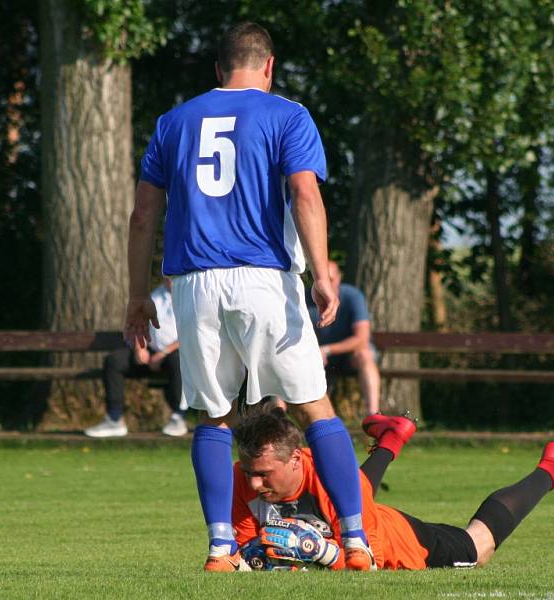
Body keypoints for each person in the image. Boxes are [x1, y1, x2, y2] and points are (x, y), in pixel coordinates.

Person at [124, 22, 374, 571]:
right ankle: (354, 544)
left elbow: (144, 214)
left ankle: (220, 548)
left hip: (193, 283)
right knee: (315, 407)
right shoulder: (288, 115)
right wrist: (323, 277)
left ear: (218, 70)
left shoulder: (172, 122)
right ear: (269, 66)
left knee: (213, 418)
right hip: (263, 277)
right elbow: (306, 193)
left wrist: (137, 295)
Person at [231, 405, 554, 571]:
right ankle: (393, 436)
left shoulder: (330, 478)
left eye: (264, 473)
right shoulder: (240, 478)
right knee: (349, 491)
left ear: (296, 458)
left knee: (478, 547)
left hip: (399, 542)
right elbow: (246, 550)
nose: (253, 482)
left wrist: (323, 554)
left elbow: (367, 562)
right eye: (248, 471)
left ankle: (552, 469)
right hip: (351, 508)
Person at [85, 279, 187, 438]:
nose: (170, 279)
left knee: (179, 361)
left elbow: (192, 333)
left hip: (175, 352)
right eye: (167, 275)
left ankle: (178, 416)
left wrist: (163, 354)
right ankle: (114, 418)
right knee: (114, 361)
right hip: (150, 351)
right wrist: (140, 349)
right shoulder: (154, 296)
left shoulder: (191, 296)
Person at [306, 261, 381, 415]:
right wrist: (313, 352)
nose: (325, 284)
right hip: (316, 357)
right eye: (321, 279)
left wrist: (326, 350)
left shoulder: (353, 296)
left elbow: (362, 338)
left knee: (365, 354)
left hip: (347, 356)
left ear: (339, 279)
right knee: (281, 358)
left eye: (331, 279)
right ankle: (278, 416)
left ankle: (373, 416)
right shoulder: (303, 298)